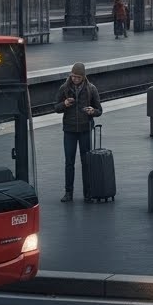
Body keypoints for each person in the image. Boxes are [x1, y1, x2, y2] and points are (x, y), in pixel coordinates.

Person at [54, 62, 102, 202]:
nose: (75, 79)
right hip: (69, 130)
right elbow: (56, 107)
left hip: (85, 129)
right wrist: (64, 104)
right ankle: (68, 192)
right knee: (69, 162)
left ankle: (88, 193)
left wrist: (93, 111)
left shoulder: (91, 89)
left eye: (78, 77)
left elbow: (99, 110)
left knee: (86, 162)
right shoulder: (64, 88)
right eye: (73, 76)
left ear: (83, 77)